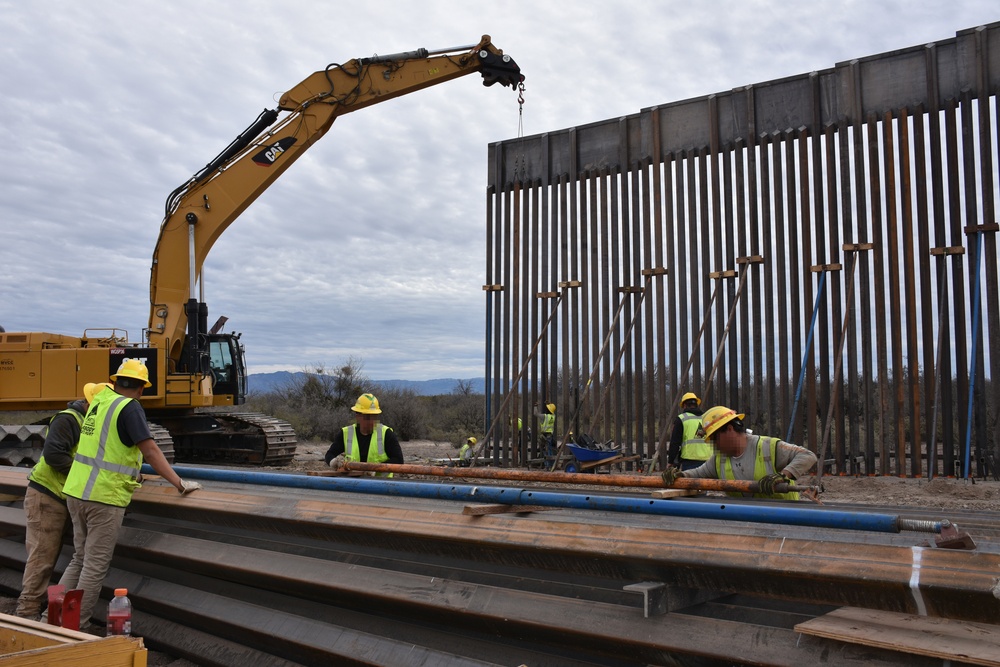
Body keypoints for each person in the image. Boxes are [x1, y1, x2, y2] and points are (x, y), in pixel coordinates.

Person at [57, 359, 201, 631]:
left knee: (80, 558)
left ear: (116, 381)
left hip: (77, 491)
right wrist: (179, 483)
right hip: (103, 496)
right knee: (94, 565)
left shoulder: (100, 400)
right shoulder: (130, 407)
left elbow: (106, 447)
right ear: (142, 388)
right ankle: (75, 627)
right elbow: (150, 451)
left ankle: (54, 620)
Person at [15, 382, 109, 619]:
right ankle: (26, 614)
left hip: (66, 497)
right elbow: (55, 455)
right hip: (47, 495)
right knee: (42, 558)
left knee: (50, 556)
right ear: (91, 404)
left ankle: (43, 613)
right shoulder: (68, 420)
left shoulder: (90, 423)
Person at [662, 406, 817, 500]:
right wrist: (680, 475)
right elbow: (697, 473)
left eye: (715, 439)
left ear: (729, 429)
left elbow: (808, 456)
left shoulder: (767, 447)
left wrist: (783, 475)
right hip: (746, 521)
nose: (714, 444)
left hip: (785, 519)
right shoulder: (720, 459)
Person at [325, 393, 404, 476]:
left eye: (374, 417)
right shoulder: (347, 433)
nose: (372, 421)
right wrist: (334, 462)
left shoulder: (386, 434)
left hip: (381, 485)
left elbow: (398, 460)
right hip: (353, 485)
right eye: (367, 417)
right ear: (357, 415)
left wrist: (376, 469)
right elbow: (329, 454)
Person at [667, 392, 709, 470]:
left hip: (690, 461)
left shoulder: (682, 419)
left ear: (685, 405)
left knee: (690, 482)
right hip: (708, 461)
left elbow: (675, 442)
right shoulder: (706, 418)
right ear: (697, 404)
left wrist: (671, 461)